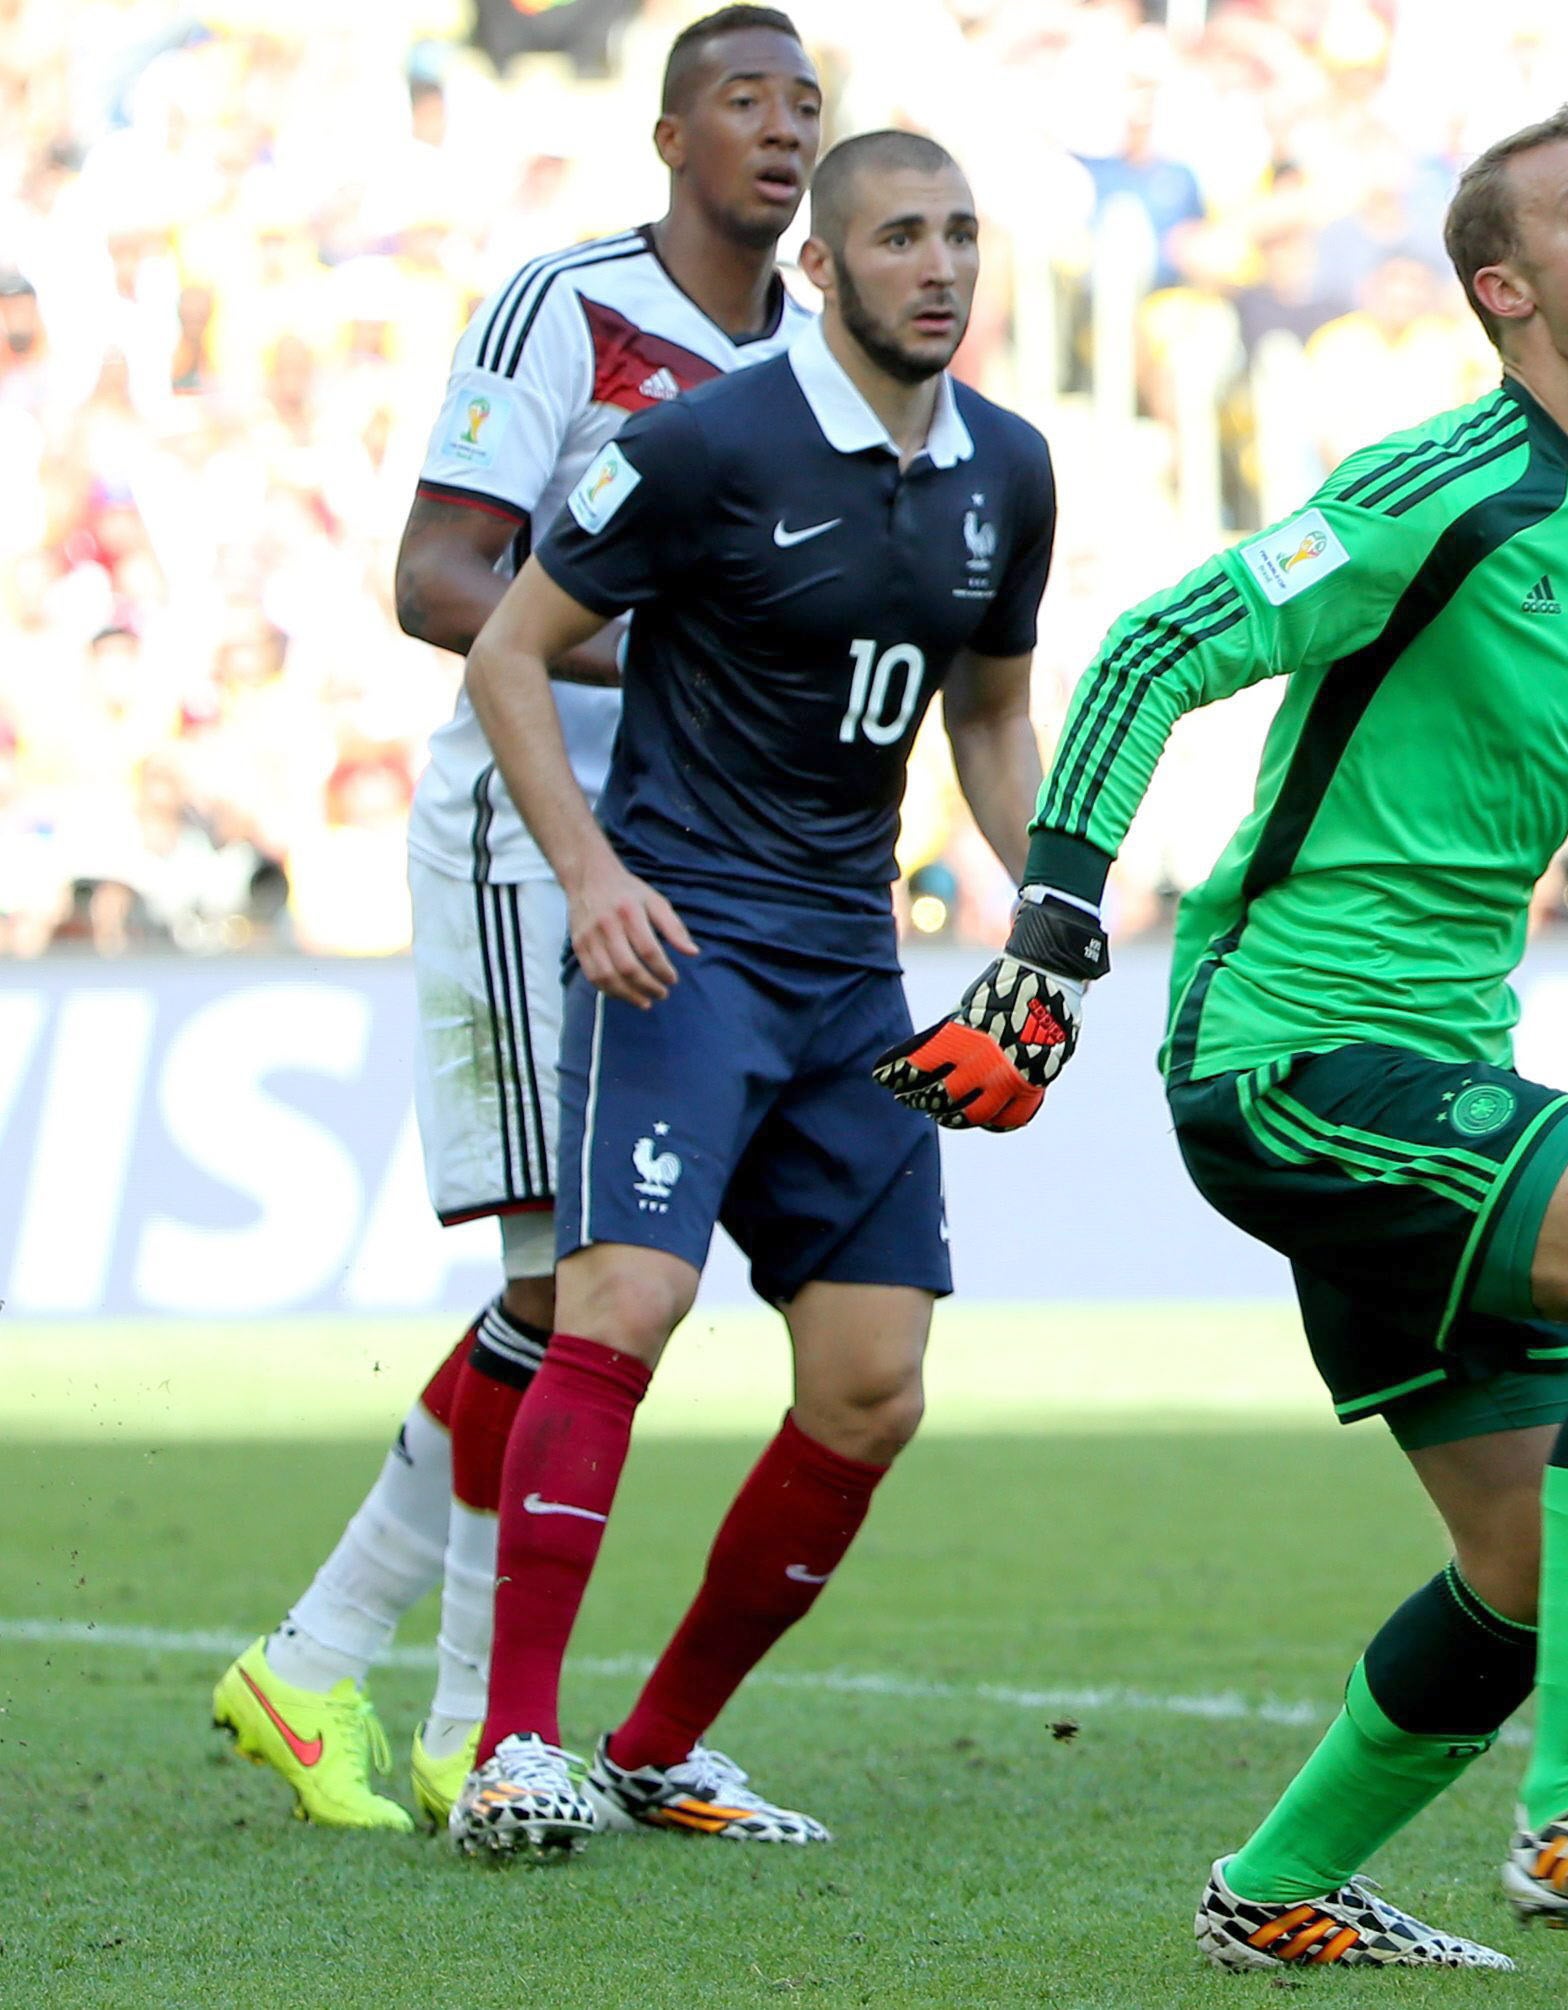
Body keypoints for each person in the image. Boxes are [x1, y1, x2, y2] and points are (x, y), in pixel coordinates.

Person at [880, 104, 1568, 1969]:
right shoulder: (1440, 485)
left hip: (1413, 1069)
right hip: (1293, 1055)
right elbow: (1155, 647)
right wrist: (1049, 943)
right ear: (1509, 288)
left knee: (1529, 1566)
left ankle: (1278, 1888)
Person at [211, 4, 822, 1833]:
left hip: (698, 864)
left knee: (585, 1294)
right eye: (741, 100)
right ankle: (395, 1692)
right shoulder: (568, 304)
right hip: (523, 837)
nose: (780, 132)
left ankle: (410, 1699)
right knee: (565, 1291)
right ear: (665, 137)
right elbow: (438, 576)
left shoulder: (817, 357)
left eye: (806, 103)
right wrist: (696, 654)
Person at [444, 127, 1055, 1859]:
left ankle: (654, 1745)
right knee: (618, 1307)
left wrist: (1060, 903)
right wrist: (591, 877)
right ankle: (511, 1744)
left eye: (960, 232)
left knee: (873, 1388)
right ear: (825, 269)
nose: (937, 266)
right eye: (900, 238)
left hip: (856, 973)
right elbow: (503, 648)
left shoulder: (1007, 468)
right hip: (687, 945)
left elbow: (991, 721)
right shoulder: (704, 443)